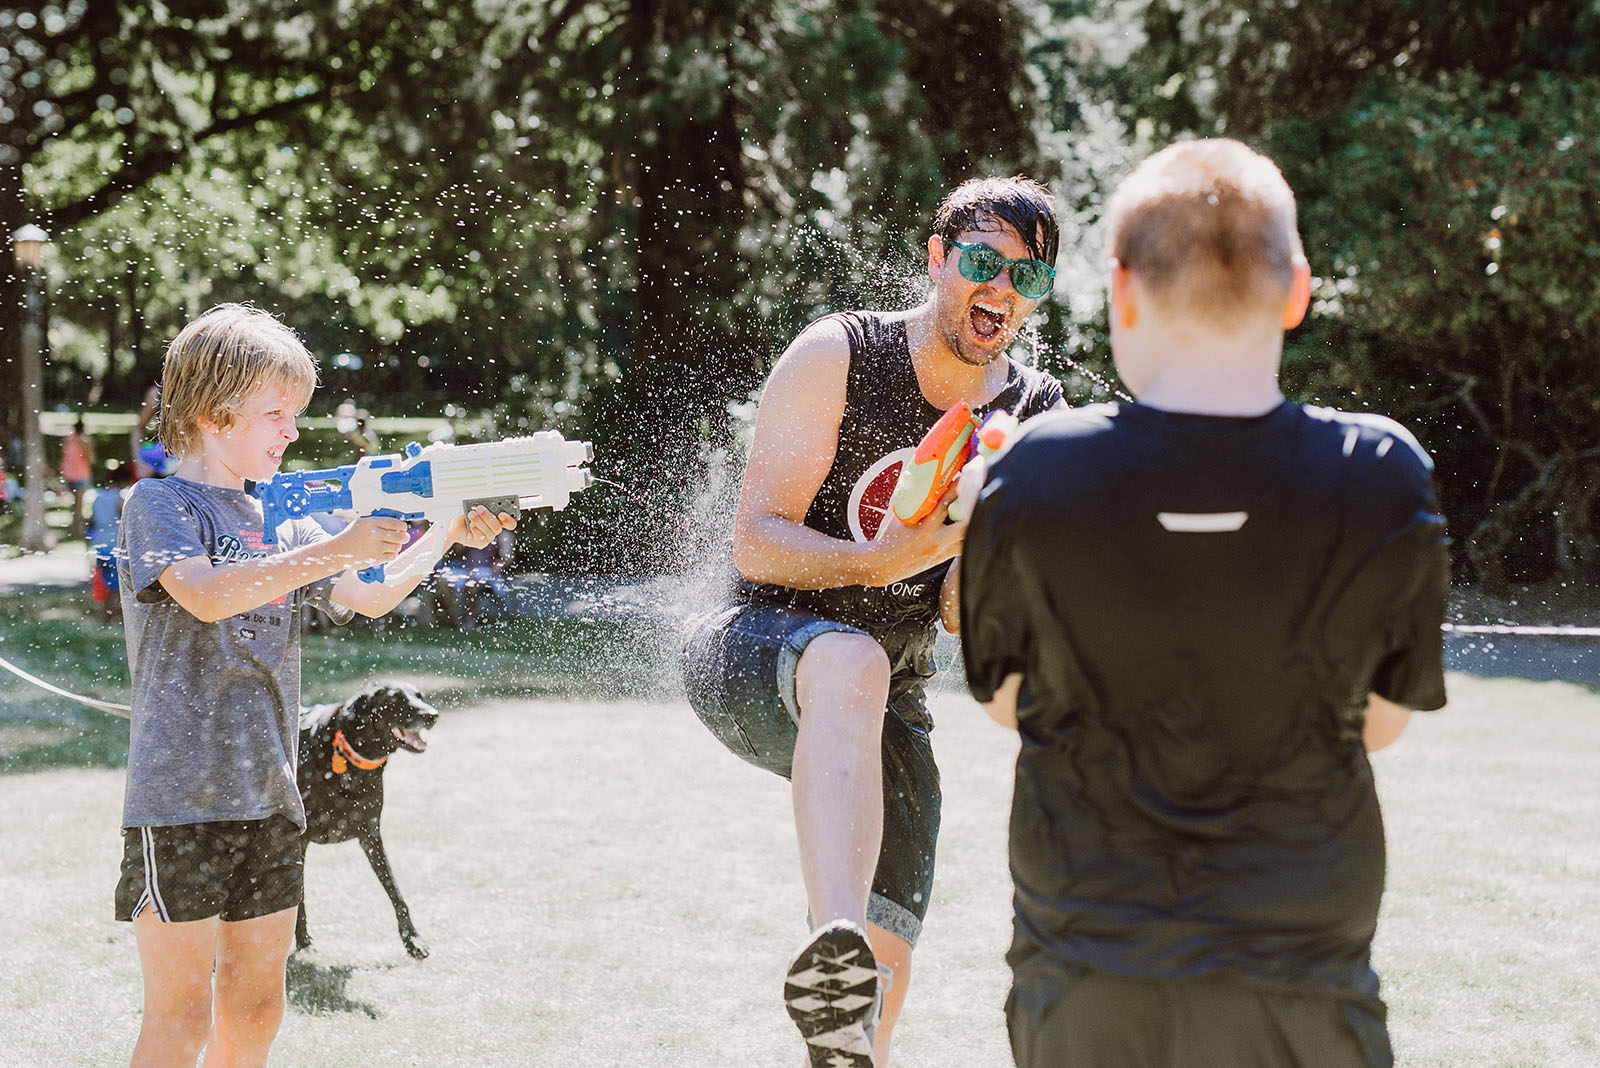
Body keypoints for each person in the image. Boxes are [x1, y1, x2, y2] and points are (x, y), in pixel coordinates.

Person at [957, 139, 1450, 1068]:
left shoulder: (1032, 472)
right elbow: (1379, 727)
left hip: (1090, 961)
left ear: (1124, 290)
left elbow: (1004, 703)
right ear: (1298, 290)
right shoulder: (1382, 473)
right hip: (1302, 965)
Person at [681, 176, 1066, 1067]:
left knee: (875, 1003)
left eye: (1029, 279)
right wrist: (879, 560)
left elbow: (962, 620)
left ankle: (846, 987)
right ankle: (836, 937)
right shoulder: (842, 355)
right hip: (748, 645)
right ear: (938, 260)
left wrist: (986, 534)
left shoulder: (1030, 413)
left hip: (889, 690)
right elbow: (756, 544)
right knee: (850, 658)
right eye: (983, 263)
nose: (1003, 291)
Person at [113, 303, 515, 1067]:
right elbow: (203, 592)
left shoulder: (284, 522)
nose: (291, 432)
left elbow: (369, 593)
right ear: (212, 412)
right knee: (181, 1018)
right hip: (183, 800)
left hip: (271, 791)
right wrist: (335, 547)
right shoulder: (159, 504)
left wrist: (442, 532)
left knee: (259, 1009)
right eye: (276, 413)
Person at [89, 463, 133, 624]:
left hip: (100, 544)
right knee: (118, 585)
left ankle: (107, 615)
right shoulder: (119, 498)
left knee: (106, 582)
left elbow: (93, 521)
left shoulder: (98, 497)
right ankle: (113, 617)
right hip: (115, 545)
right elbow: (128, 521)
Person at [61, 416, 96, 540]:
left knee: (74, 503)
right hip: (81, 475)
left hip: (70, 475)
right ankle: (79, 530)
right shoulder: (85, 441)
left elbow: (64, 456)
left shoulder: (69, 439)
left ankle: (74, 529)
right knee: (79, 504)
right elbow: (91, 459)